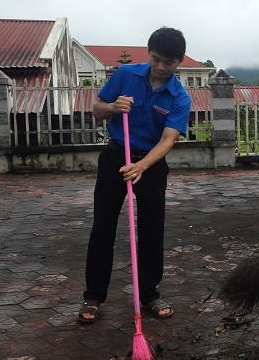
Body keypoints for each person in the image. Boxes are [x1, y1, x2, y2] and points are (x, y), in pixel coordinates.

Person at [77, 27, 191, 324]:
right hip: (116, 157)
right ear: (149, 52)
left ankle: (149, 293)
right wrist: (113, 106)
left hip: (150, 165)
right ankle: (93, 295)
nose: (162, 67)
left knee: (152, 229)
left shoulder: (179, 97)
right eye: (156, 59)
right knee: (103, 226)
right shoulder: (126, 74)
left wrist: (142, 166)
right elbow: (97, 109)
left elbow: (168, 140)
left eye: (169, 62)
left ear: (179, 61)